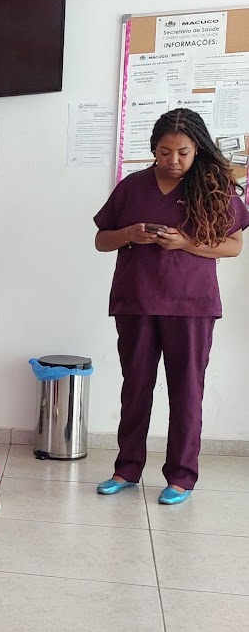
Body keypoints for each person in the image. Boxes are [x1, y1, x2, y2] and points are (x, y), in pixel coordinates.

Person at [93, 107, 249, 505]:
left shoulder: (213, 188)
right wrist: (129, 234)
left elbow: (234, 246)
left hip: (191, 305)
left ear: (197, 149)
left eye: (182, 152)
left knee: (186, 392)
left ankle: (181, 477)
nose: (173, 160)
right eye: (165, 152)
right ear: (153, 149)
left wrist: (185, 243)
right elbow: (101, 240)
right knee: (135, 388)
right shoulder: (132, 187)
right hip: (137, 301)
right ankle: (126, 469)